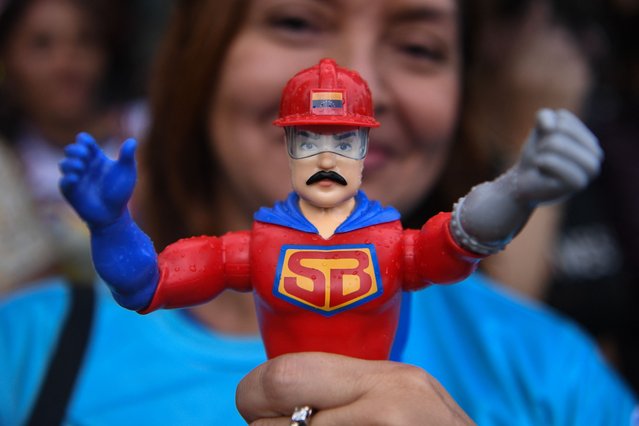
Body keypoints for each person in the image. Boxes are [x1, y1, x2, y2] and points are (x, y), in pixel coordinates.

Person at [0, 1, 636, 425]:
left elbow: (458, 239)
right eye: (297, 20)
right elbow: (148, 283)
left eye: (420, 46)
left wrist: (520, 188)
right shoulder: (23, 351)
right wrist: (112, 225)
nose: (363, 72)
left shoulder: (553, 374)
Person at [0, 0, 146, 285]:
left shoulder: (148, 133)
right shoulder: (6, 168)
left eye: (84, 41)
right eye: (42, 45)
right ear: (7, 60)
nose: (66, 64)